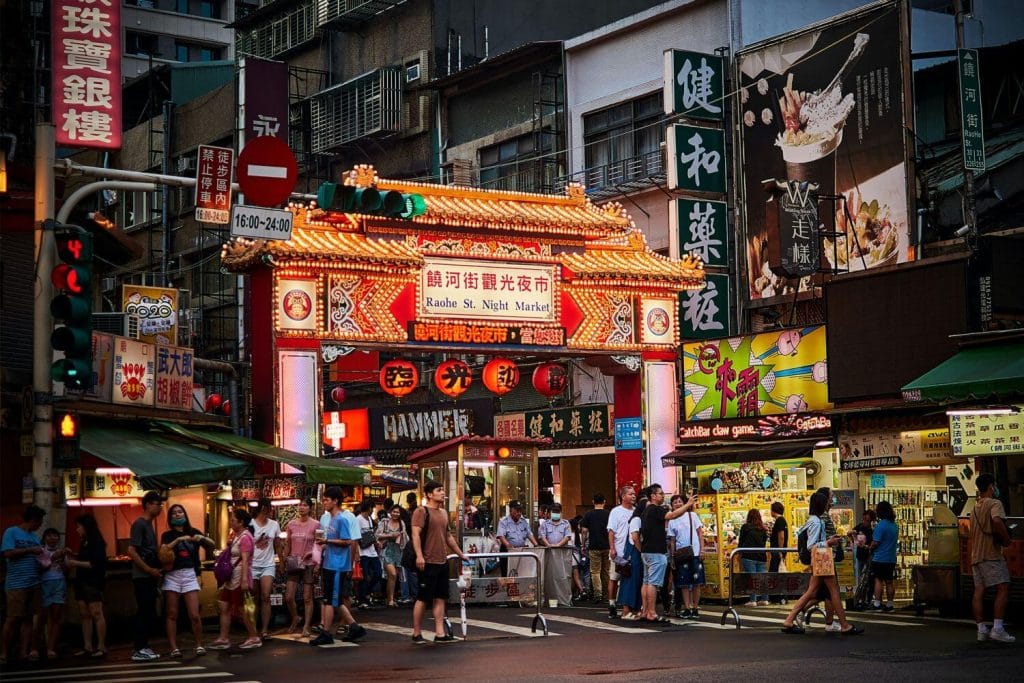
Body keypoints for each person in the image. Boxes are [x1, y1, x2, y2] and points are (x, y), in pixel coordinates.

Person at [780, 492, 863, 635]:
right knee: (833, 591)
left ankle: (789, 619)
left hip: (818, 560)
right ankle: (844, 624)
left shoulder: (812, 519)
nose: (828, 505)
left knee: (812, 592)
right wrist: (828, 542)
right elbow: (811, 545)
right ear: (821, 505)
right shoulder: (817, 522)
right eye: (826, 502)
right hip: (822, 559)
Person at [411, 480, 468, 644]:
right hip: (427, 561)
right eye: (439, 490)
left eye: (443, 490)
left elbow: (448, 536)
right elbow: (415, 535)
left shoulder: (443, 513)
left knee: (441, 597)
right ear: (429, 494)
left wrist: (460, 554)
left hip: (442, 561)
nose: (443, 493)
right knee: (422, 598)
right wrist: (419, 555)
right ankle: (416, 632)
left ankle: (440, 632)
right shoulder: (421, 512)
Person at [310, 487, 366, 646]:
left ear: (335, 501)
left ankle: (326, 632)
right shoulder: (330, 519)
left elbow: (348, 541)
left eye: (327, 500)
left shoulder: (342, 519)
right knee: (334, 599)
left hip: (338, 565)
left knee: (330, 599)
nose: (324, 503)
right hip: (329, 562)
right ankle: (355, 627)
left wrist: (327, 542)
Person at [160, 504, 214, 657]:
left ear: (185, 514)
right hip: (172, 575)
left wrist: (202, 538)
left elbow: (212, 544)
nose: (177, 515)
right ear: (170, 518)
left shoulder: (193, 532)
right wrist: (178, 541)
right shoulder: (167, 535)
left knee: (195, 614)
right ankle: (173, 648)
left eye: (180, 512)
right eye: (174, 513)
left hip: (190, 573)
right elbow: (164, 550)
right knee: (172, 613)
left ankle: (199, 645)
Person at [639, 484, 695, 623]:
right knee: (653, 583)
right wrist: (687, 504)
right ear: (653, 496)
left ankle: (645, 611)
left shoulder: (646, 511)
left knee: (646, 582)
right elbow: (672, 515)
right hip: (656, 551)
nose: (663, 495)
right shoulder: (655, 509)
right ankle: (651, 612)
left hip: (646, 551)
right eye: (660, 493)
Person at [970, 474, 1015, 643]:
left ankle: (981, 629)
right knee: (1003, 587)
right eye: (994, 485)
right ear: (991, 486)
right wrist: (1006, 539)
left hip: (976, 556)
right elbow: (996, 521)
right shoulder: (995, 503)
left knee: (979, 590)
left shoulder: (974, 508)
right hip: (991, 554)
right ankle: (997, 628)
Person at [209, 508, 261, 650]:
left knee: (243, 609)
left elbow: (245, 561)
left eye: (233, 519)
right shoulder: (237, 536)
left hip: (239, 577)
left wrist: (244, 580)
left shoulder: (245, 537)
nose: (231, 522)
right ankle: (224, 638)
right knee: (224, 606)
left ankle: (253, 636)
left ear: (241, 522)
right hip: (232, 578)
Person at [1, 505, 45, 665]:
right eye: (40, 521)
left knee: (28, 618)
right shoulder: (11, 532)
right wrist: (30, 551)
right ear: (34, 520)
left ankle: (23, 652)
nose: (40, 525)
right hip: (16, 583)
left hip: (34, 582)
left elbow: (39, 558)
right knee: (12, 618)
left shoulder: (34, 537)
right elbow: (7, 553)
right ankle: (3, 653)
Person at [128, 491, 165, 662]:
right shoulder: (140, 524)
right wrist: (149, 570)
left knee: (149, 611)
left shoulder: (149, 525)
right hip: (142, 576)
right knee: (144, 611)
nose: (160, 507)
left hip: (149, 575)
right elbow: (132, 550)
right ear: (149, 504)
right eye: (158, 504)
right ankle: (139, 647)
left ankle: (144, 646)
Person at [67, 515, 107, 658]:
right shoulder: (85, 541)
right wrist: (75, 555)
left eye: (79, 526)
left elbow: (94, 563)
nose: (77, 530)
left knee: (96, 612)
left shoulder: (97, 541)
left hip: (92, 581)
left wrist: (74, 563)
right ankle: (87, 646)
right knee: (84, 614)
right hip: (81, 581)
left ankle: (101, 646)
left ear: (86, 527)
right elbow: (86, 558)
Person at [283, 498, 319, 636]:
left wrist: (316, 560)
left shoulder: (316, 524)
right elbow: (287, 544)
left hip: (309, 564)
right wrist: (284, 560)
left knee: (307, 597)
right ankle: (295, 617)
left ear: (310, 508)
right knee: (288, 596)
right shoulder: (291, 524)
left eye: (305, 505)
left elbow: (319, 544)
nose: (302, 507)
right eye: (300, 505)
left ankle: (306, 626)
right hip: (294, 563)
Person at [668, 494, 705, 619]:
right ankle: (687, 607)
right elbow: (672, 540)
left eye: (680, 502)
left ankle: (695, 607)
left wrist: (702, 550)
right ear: (672, 506)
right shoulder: (672, 520)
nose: (678, 504)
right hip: (681, 555)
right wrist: (672, 557)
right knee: (684, 583)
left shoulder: (692, 515)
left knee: (696, 582)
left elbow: (700, 533)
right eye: (675, 503)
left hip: (694, 552)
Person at [250, 498, 282, 639]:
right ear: (264, 508)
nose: (271, 511)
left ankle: (264, 630)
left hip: (268, 564)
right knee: (254, 597)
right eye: (270, 508)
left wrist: (281, 561)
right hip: (252, 565)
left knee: (265, 596)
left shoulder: (274, 524)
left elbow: (278, 544)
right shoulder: (250, 524)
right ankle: (253, 629)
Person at [37, 527, 68, 659]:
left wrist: (62, 563)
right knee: (41, 618)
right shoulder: (40, 550)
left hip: (59, 583)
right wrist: (52, 558)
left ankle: (51, 648)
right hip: (44, 584)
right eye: (49, 535)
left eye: (55, 535)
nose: (53, 538)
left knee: (56, 618)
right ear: (44, 538)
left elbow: (66, 570)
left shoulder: (61, 552)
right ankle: (35, 647)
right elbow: (40, 568)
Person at [607, 485, 636, 619]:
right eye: (630, 494)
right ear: (623, 496)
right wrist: (612, 548)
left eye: (634, 494)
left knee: (629, 578)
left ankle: (627, 605)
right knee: (614, 577)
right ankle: (612, 603)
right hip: (618, 551)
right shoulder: (616, 511)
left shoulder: (636, 511)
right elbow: (611, 531)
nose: (633, 496)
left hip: (631, 551)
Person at [538, 502, 573, 606]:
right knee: (549, 578)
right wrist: (548, 544)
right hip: (549, 554)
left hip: (562, 554)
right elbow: (542, 536)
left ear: (560, 512)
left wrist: (558, 545)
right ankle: (548, 599)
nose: (555, 514)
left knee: (563, 577)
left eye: (557, 511)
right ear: (550, 513)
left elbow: (567, 537)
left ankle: (564, 599)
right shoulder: (545, 524)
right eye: (554, 512)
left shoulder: (566, 523)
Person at [616, 497, 645, 621]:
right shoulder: (636, 520)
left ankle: (635, 609)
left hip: (635, 553)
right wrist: (642, 551)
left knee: (637, 581)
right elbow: (635, 538)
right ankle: (626, 610)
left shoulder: (641, 520)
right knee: (631, 581)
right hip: (633, 553)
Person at [580, 493, 611, 604]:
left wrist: (583, 544)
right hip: (607, 546)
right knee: (606, 571)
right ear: (604, 502)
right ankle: (607, 594)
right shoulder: (609, 514)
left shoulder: (588, 514)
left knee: (595, 571)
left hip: (593, 546)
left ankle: (598, 594)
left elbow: (584, 531)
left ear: (593, 502)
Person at [868, 501, 897, 613]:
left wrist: (870, 548)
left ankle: (877, 603)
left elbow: (875, 542)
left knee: (878, 580)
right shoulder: (894, 525)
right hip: (891, 558)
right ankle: (890, 604)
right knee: (889, 581)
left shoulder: (880, 526)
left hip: (880, 558)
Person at [496, 500, 537, 579]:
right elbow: (501, 536)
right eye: (517, 510)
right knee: (507, 574)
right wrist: (509, 546)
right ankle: (507, 590)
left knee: (520, 573)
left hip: (521, 550)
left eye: (520, 510)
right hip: (508, 551)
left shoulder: (523, 521)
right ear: (511, 510)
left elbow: (529, 534)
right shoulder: (504, 522)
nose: (519, 513)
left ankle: (520, 589)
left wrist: (536, 544)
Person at [377, 505, 407, 608]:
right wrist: (390, 535)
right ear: (390, 512)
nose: (395, 514)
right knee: (393, 574)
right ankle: (390, 600)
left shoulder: (401, 523)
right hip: (386, 550)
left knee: (393, 577)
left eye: (397, 512)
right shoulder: (384, 522)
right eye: (394, 511)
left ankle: (390, 599)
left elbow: (406, 538)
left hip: (398, 551)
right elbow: (377, 535)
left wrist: (401, 536)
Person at [738, 509, 769, 606]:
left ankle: (753, 600)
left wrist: (739, 553)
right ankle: (765, 599)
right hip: (761, 556)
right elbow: (763, 543)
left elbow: (741, 541)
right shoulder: (763, 529)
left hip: (748, 556)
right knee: (762, 578)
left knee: (751, 578)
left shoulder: (745, 527)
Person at [356, 500, 382, 609]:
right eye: (372, 508)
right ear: (369, 508)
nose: (373, 510)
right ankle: (362, 599)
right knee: (364, 577)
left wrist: (376, 542)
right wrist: (357, 553)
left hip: (372, 551)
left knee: (378, 573)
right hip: (363, 553)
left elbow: (371, 534)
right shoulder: (358, 520)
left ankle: (366, 593)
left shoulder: (370, 520)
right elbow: (356, 537)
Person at [768, 501, 788, 604]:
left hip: (777, 552)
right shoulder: (782, 520)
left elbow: (781, 536)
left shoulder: (780, 521)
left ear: (773, 510)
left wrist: (780, 551)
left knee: (775, 574)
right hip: (779, 552)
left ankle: (778, 597)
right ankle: (779, 597)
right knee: (777, 573)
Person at [851, 509, 876, 584]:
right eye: (863, 519)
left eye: (867, 520)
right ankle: (861, 594)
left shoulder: (874, 529)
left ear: (872, 520)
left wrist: (867, 546)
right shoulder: (860, 526)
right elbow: (850, 533)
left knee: (870, 578)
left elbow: (875, 543)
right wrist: (854, 540)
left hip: (871, 557)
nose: (864, 522)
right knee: (860, 578)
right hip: (860, 556)